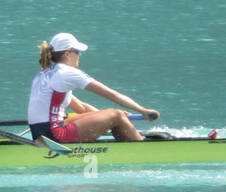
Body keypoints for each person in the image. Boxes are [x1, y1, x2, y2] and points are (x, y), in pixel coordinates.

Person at [28, 32, 158, 143]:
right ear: (67, 54)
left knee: (112, 116)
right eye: (77, 51)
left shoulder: (43, 74)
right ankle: (141, 149)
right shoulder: (67, 73)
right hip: (54, 135)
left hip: (39, 132)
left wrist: (104, 116)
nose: (80, 55)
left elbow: (82, 108)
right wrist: (142, 110)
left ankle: (125, 136)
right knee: (116, 115)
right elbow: (112, 95)